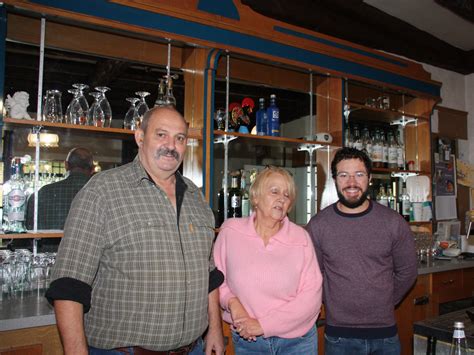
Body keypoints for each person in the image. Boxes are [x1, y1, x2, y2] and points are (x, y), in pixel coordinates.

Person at [46, 106, 225, 355]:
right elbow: (69, 284)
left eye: (180, 138)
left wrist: (215, 328)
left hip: (193, 348)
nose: (171, 145)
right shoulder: (102, 191)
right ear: (140, 137)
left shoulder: (196, 196)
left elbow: (209, 274)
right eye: (161, 135)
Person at [306, 147, 417, 355]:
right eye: (343, 175)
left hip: (385, 335)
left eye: (359, 174)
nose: (351, 183)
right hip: (339, 336)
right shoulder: (319, 225)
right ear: (335, 180)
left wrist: (383, 301)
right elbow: (313, 274)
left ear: (370, 178)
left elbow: (408, 271)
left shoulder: (393, 222)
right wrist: (332, 301)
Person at [214, 166, 323, 355]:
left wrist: (262, 325)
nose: (282, 198)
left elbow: (311, 298)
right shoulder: (230, 231)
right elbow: (217, 280)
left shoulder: (301, 238)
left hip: (297, 342)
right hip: (248, 341)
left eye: (287, 195)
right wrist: (232, 303)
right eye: (275, 191)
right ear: (255, 197)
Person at [24, 147, 94, 252]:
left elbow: (27, 231)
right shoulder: (104, 193)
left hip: (46, 260)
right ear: (92, 168)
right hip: (90, 259)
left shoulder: (42, 193)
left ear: (66, 165)